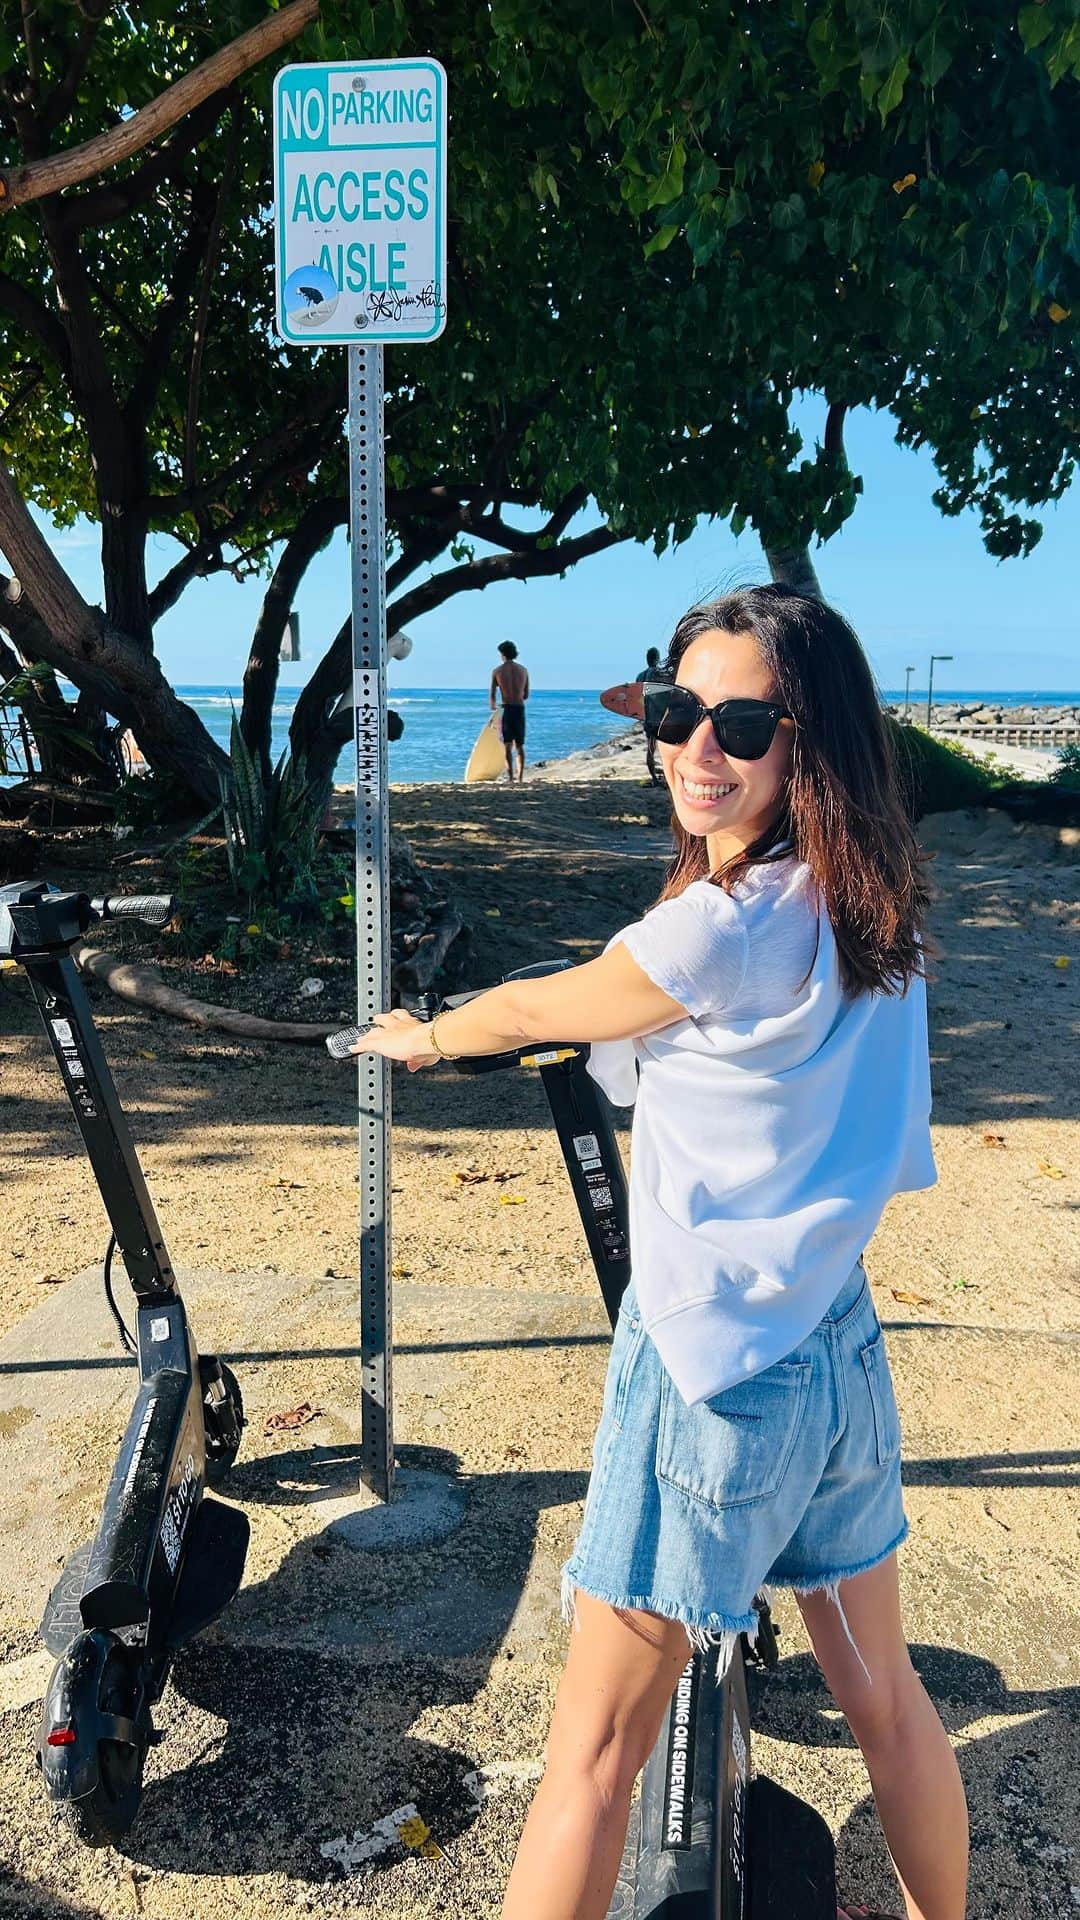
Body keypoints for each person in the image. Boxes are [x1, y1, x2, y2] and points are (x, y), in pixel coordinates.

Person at [354, 584, 969, 1920]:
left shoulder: (724, 928)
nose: (701, 747)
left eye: (743, 723)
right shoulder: (874, 912)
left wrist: (423, 1034)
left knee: (592, 1755)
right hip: (835, 1356)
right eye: (681, 713)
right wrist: (687, 734)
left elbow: (536, 1006)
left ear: (814, 742)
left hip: (710, 1380)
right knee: (887, 1701)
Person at [491, 640, 530, 782]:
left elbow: (492, 698)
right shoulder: (523, 670)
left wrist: (495, 710)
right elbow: (525, 695)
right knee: (520, 745)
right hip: (519, 709)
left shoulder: (497, 671)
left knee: (507, 746)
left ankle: (511, 778)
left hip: (506, 709)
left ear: (502, 654)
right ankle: (520, 778)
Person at [635, 645, 664, 785]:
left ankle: (654, 778)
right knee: (668, 749)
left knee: (651, 749)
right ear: (657, 659)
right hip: (662, 717)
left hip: (648, 717)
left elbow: (637, 698)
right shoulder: (660, 673)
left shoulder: (640, 676)